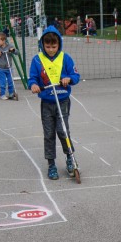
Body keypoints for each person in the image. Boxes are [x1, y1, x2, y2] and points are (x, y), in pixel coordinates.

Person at [27, 25, 81, 180]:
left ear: (59, 45)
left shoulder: (66, 58)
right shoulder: (37, 60)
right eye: (48, 46)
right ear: (43, 45)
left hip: (62, 99)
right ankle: (51, 164)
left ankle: (70, 158)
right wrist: (34, 85)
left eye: (54, 46)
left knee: (63, 130)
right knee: (49, 133)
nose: (51, 49)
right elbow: (32, 78)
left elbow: (75, 75)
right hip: (47, 102)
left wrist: (68, 79)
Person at [0, 29, 18, 100]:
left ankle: (11, 93)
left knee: (10, 81)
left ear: (4, 41)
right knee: (2, 82)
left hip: (9, 67)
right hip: (1, 68)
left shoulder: (9, 46)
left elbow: (17, 52)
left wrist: (13, 50)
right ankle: (2, 94)